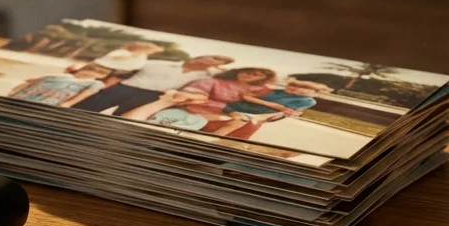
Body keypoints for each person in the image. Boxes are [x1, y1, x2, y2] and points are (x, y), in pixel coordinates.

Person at [71, 54, 235, 115]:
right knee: (85, 108)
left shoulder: (206, 76)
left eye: (219, 62)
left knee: (123, 118)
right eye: (213, 58)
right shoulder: (158, 63)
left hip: (152, 96)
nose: (212, 63)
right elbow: (121, 71)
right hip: (125, 88)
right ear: (200, 57)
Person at [203, 79, 332, 139]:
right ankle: (213, 136)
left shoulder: (309, 101)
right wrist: (271, 104)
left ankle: (216, 137)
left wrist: (286, 113)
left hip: (263, 115)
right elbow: (247, 97)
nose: (293, 92)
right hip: (244, 107)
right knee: (238, 120)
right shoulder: (277, 91)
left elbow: (289, 112)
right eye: (292, 89)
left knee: (241, 121)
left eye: (312, 92)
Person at [9, 64, 112, 107]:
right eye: (89, 70)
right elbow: (30, 81)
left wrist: (68, 104)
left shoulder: (95, 83)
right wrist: (13, 91)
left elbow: (85, 94)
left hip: (49, 101)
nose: (90, 73)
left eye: (96, 71)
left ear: (101, 76)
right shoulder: (61, 75)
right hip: (26, 95)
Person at [91, 41, 163, 73]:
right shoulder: (123, 52)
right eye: (151, 51)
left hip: (120, 71)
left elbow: (139, 64)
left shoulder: (142, 55)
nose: (151, 53)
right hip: (101, 67)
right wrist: (132, 56)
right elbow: (116, 58)